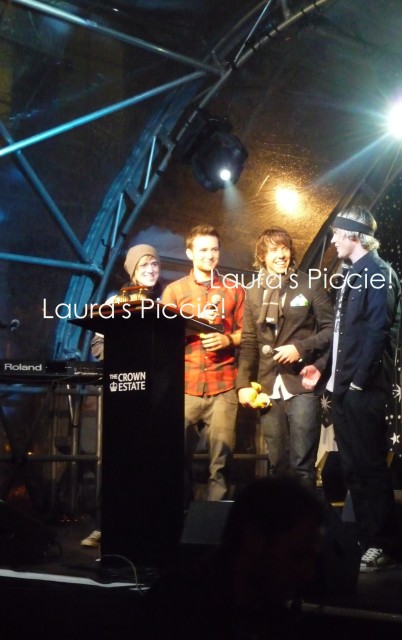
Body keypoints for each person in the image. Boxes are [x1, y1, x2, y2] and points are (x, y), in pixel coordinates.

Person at [149, 475, 327, 640]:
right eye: (298, 555)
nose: (308, 573)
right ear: (254, 539)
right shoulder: (175, 607)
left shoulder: (270, 616)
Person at [325, 205, 402, 572]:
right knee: (352, 466)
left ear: (354, 235)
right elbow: (343, 334)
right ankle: (366, 537)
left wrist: (357, 381)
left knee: (370, 466)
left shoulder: (378, 273)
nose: (333, 241)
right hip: (343, 386)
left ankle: (383, 543)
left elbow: (377, 330)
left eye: (337, 234)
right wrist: (326, 373)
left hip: (363, 388)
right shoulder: (351, 274)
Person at [236, 227, 333, 488]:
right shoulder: (253, 291)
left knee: (302, 465)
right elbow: (249, 342)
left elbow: (332, 330)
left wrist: (300, 348)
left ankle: (308, 515)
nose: (281, 255)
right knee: (278, 464)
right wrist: (243, 384)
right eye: (273, 250)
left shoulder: (309, 284)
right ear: (261, 256)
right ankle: (281, 515)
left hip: (301, 383)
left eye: (284, 248)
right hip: (268, 386)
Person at [81, 243, 162, 548]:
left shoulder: (166, 301)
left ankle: (148, 527)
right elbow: (98, 345)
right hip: (122, 390)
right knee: (116, 458)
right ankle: (105, 526)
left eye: (154, 264)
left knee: (152, 461)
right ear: (131, 270)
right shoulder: (115, 301)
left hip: (157, 395)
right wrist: (126, 355)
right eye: (144, 265)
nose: (151, 270)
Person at [161, 225, 245, 504]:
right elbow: (163, 336)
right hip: (185, 386)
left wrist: (227, 340)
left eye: (214, 249)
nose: (210, 255)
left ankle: (215, 522)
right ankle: (180, 517)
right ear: (189, 253)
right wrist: (195, 322)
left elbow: (248, 333)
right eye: (203, 250)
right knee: (174, 459)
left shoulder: (234, 289)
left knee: (221, 464)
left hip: (224, 386)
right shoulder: (174, 291)